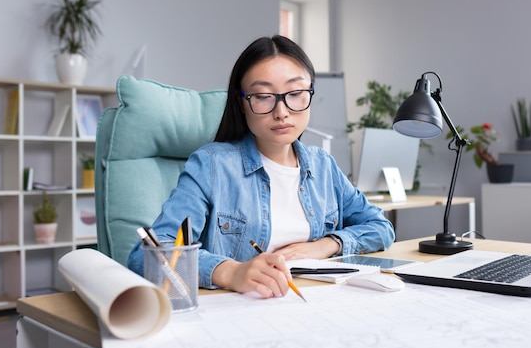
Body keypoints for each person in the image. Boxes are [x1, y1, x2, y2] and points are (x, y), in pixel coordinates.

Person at [128, 35, 395, 299]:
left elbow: (380, 227)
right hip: (242, 311)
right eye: (264, 96)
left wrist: (324, 246)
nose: (281, 111)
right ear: (242, 102)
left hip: (318, 303)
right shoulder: (212, 166)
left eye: (295, 93)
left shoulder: (323, 166)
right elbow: (146, 256)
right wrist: (231, 272)